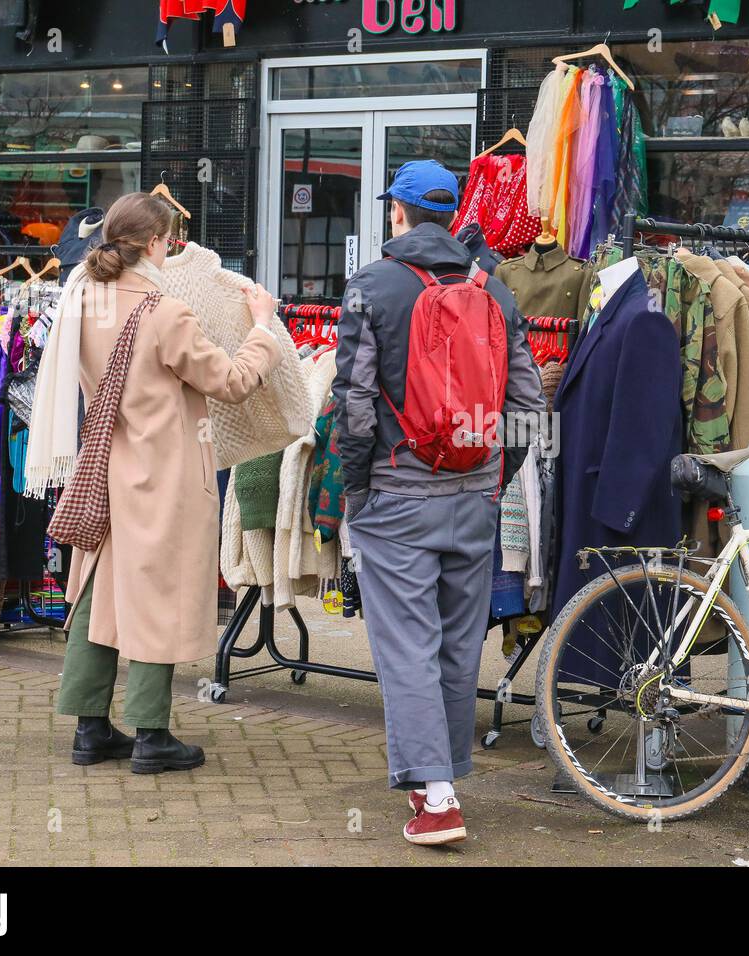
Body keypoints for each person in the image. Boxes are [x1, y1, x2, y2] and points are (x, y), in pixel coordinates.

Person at [333, 161, 545, 845]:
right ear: (451, 214)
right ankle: (445, 772)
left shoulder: (373, 287)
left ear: (397, 212)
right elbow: (529, 407)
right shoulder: (495, 290)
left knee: (408, 648)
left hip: (398, 496)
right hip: (474, 495)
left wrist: (356, 488)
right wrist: (494, 473)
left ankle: (436, 798)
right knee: (456, 644)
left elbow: (355, 404)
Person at [42, 192, 284, 773]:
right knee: (156, 599)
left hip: (105, 465)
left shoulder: (84, 295)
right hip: (164, 473)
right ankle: (152, 736)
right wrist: (263, 328)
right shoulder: (163, 311)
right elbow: (229, 381)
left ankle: (90, 728)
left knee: (99, 590)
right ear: (156, 244)